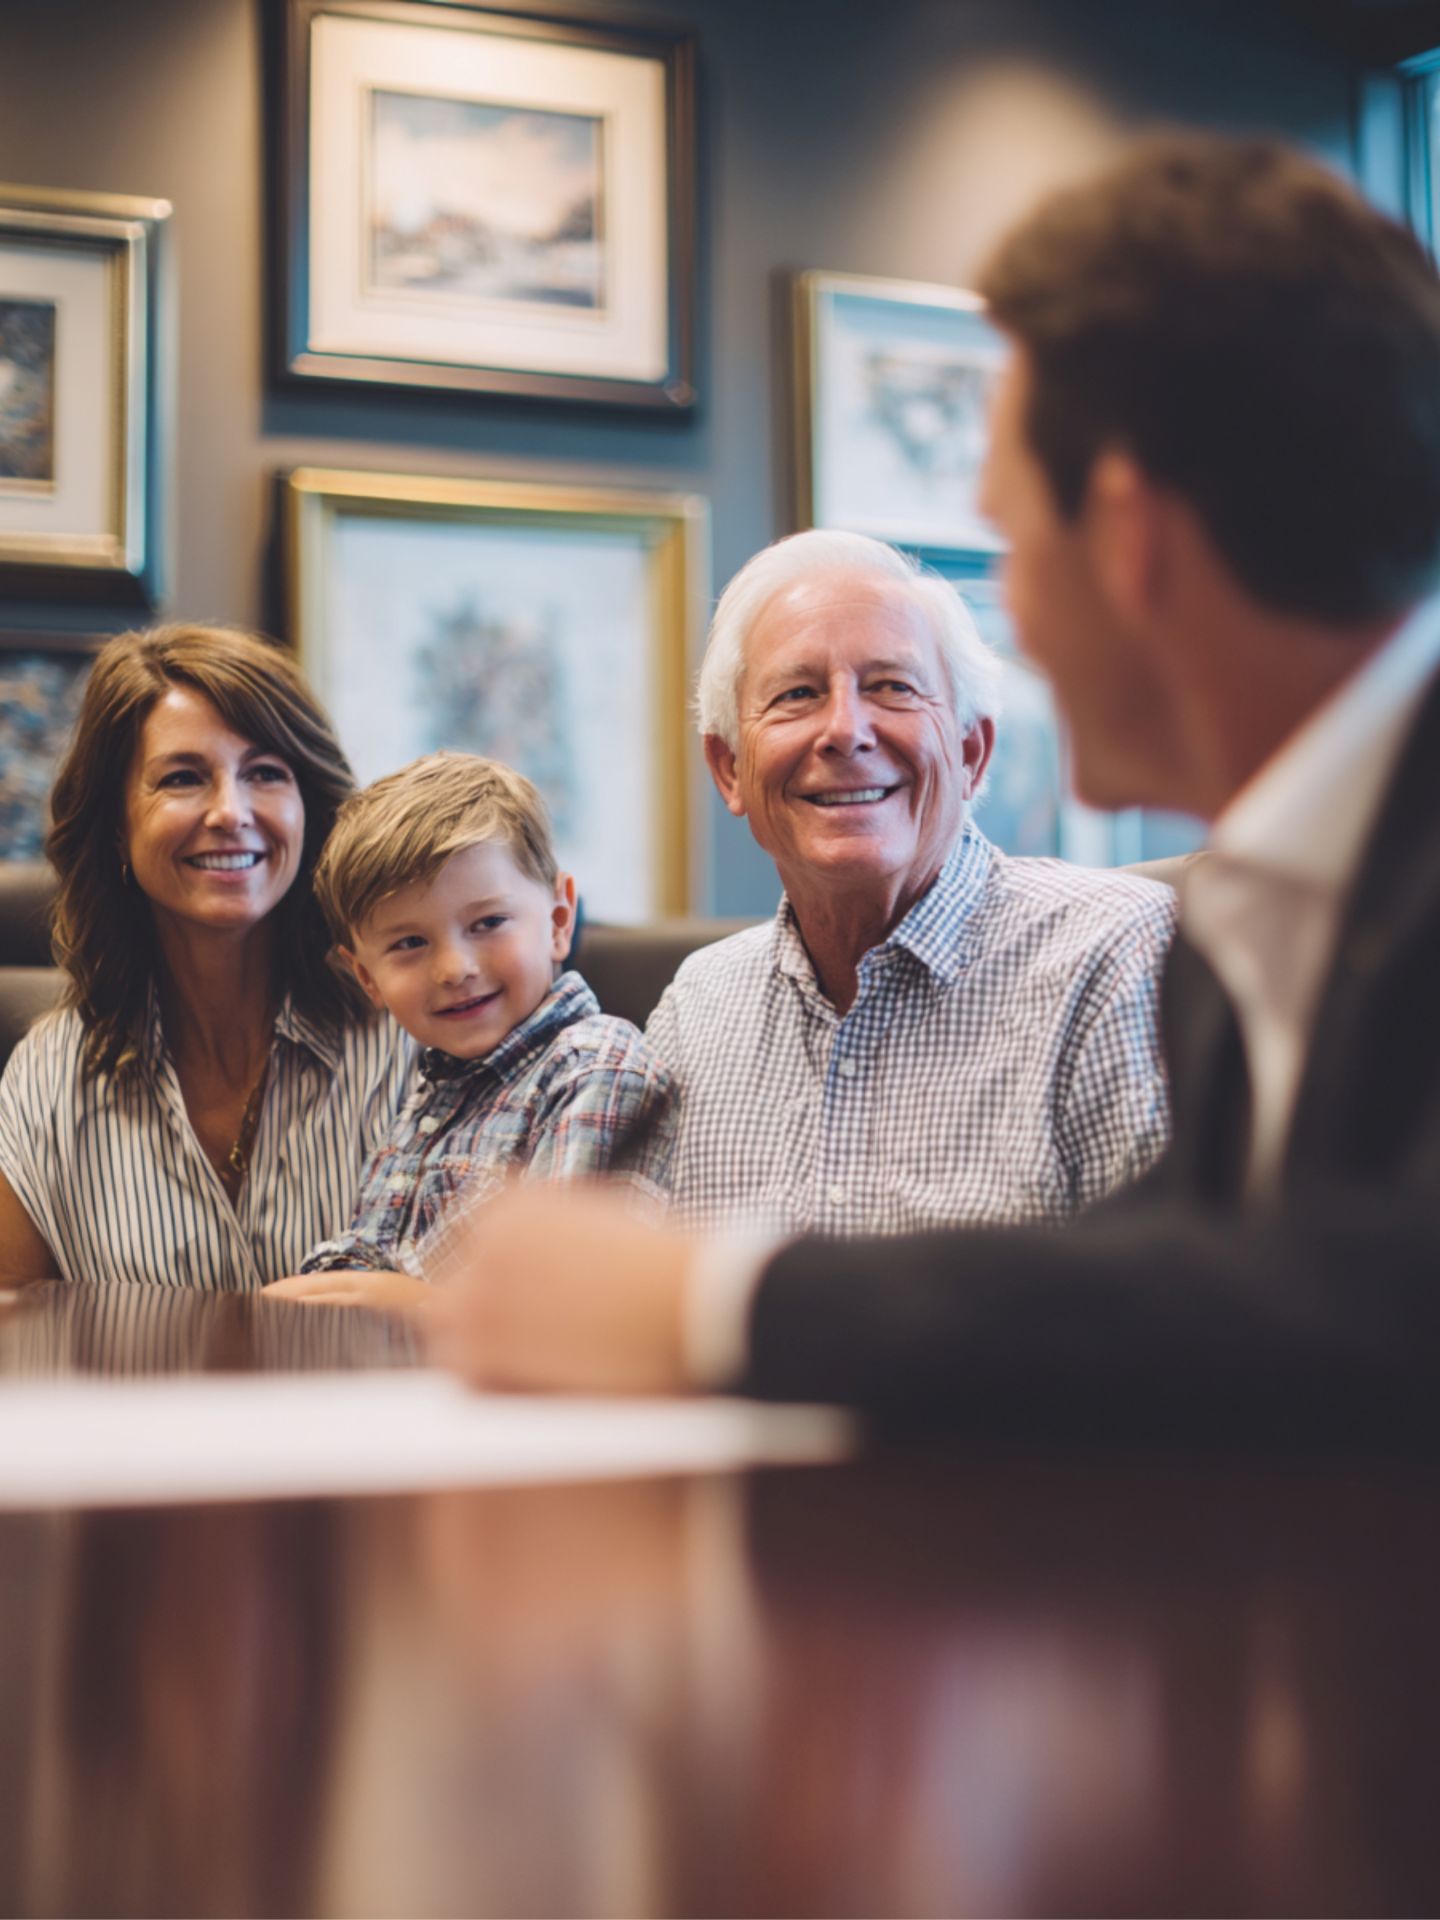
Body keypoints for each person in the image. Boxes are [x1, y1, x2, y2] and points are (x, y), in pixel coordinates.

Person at [428, 133, 1440, 1449]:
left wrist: (717, 1300)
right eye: (798, 696)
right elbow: (1175, 1271)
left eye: (1011, 542)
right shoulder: (1263, 917)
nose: (1008, 614)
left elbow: (1365, 1311)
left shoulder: (1190, 937)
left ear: (1128, 544)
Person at [647, 527, 1175, 1235]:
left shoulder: (1119, 960)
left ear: (971, 752)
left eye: (892, 687)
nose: (846, 730)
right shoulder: (694, 1013)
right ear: (728, 769)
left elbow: (1181, 1320)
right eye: (798, 693)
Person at [0, 624, 415, 1290]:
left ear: (311, 810)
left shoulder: (412, 1037)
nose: (231, 811)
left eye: (266, 774)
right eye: (184, 778)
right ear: (115, 826)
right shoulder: (49, 1076)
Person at [262, 752, 674, 1311]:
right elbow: (374, 1250)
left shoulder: (596, 1066)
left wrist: (406, 1304)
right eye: (409, 943)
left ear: (558, 921)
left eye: (487, 923)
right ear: (367, 976)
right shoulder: (436, 1087)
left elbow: (576, 1295)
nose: (454, 968)